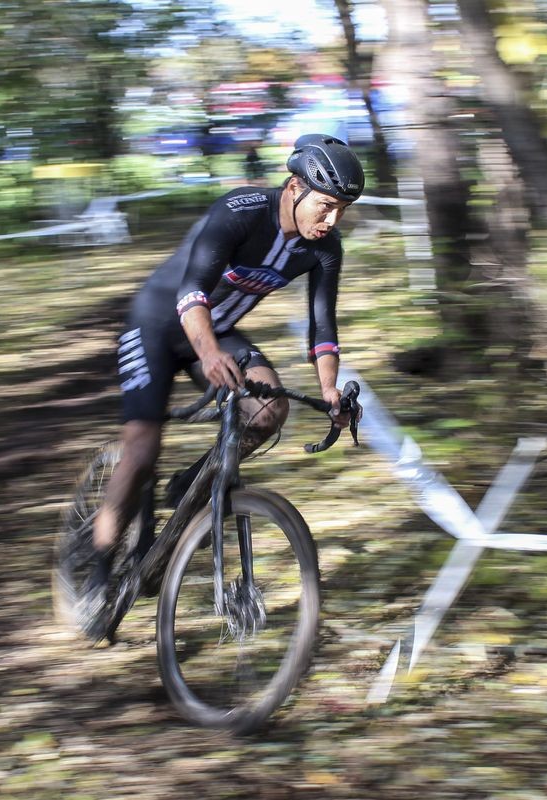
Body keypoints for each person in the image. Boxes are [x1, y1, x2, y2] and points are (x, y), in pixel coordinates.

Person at [79, 134, 365, 640]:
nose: (332, 221)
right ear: (294, 187)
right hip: (157, 325)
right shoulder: (241, 209)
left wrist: (329, 393)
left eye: (341, 211)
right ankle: (99, 571)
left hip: (219, 333)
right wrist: (209, 354)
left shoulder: (324, 249)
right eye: (325, 207)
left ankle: (189, 484)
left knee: (269, 408)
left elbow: (324, 326)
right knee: (141, 450)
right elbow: (192, 288)